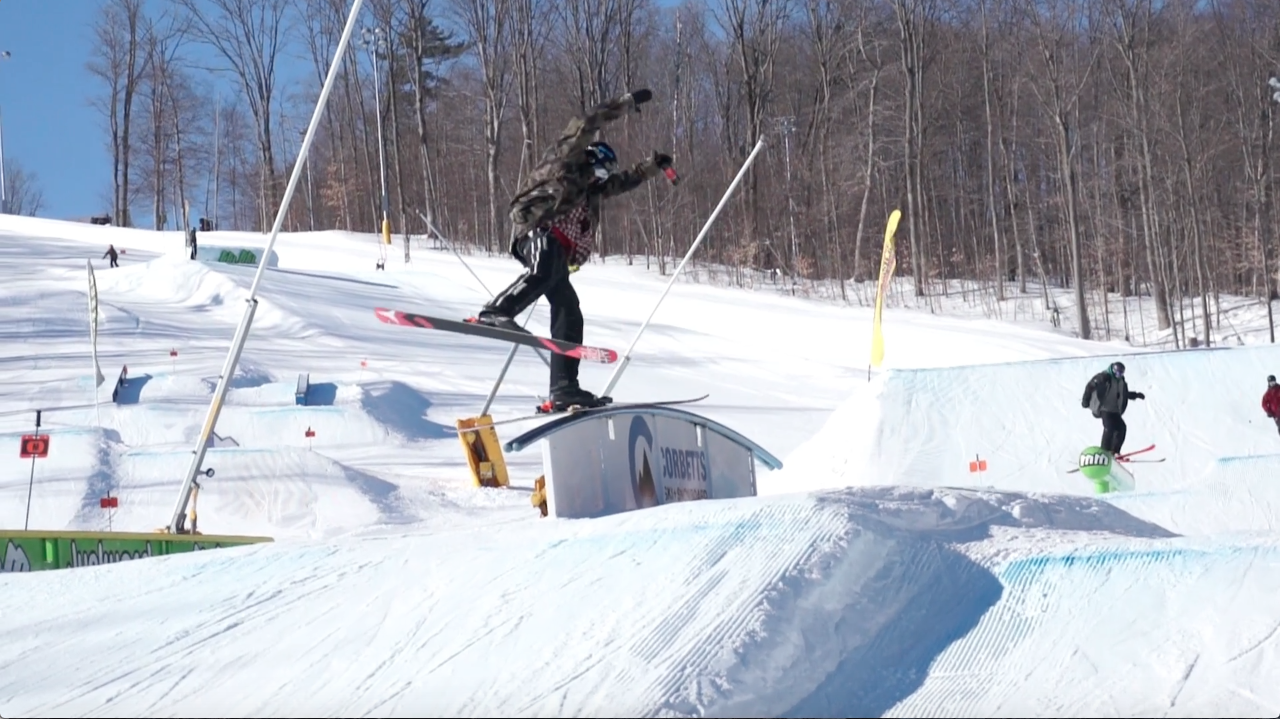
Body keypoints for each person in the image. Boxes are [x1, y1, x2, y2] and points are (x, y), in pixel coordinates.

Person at [474, 88, 673, 412]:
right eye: (601, 170)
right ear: (590, 159)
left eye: (605, 174)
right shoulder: (567, 161)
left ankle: (564, 387)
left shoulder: (592, 190)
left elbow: (623, 182)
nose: (602, 179)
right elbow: (585, 121)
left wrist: (651, 166)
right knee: (546, 265)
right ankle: (496, 310)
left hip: (557, 252)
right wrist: (624, 104)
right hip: (537, 229)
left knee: (569, 309)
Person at [1081, 361, 1145, 455]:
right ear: (1113, 370)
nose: (1119, 375)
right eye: (1117, 373)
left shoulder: (1121, 382)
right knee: (1109, 428)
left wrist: (1136, 395)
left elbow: (1124, 394)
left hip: (1115, 410)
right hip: (1104, 408)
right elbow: (1090, 386)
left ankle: (1114, 451)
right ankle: (1104, 453)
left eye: (1121, 373)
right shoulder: (1103, 377)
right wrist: (1085, 400)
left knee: (1121, 428)